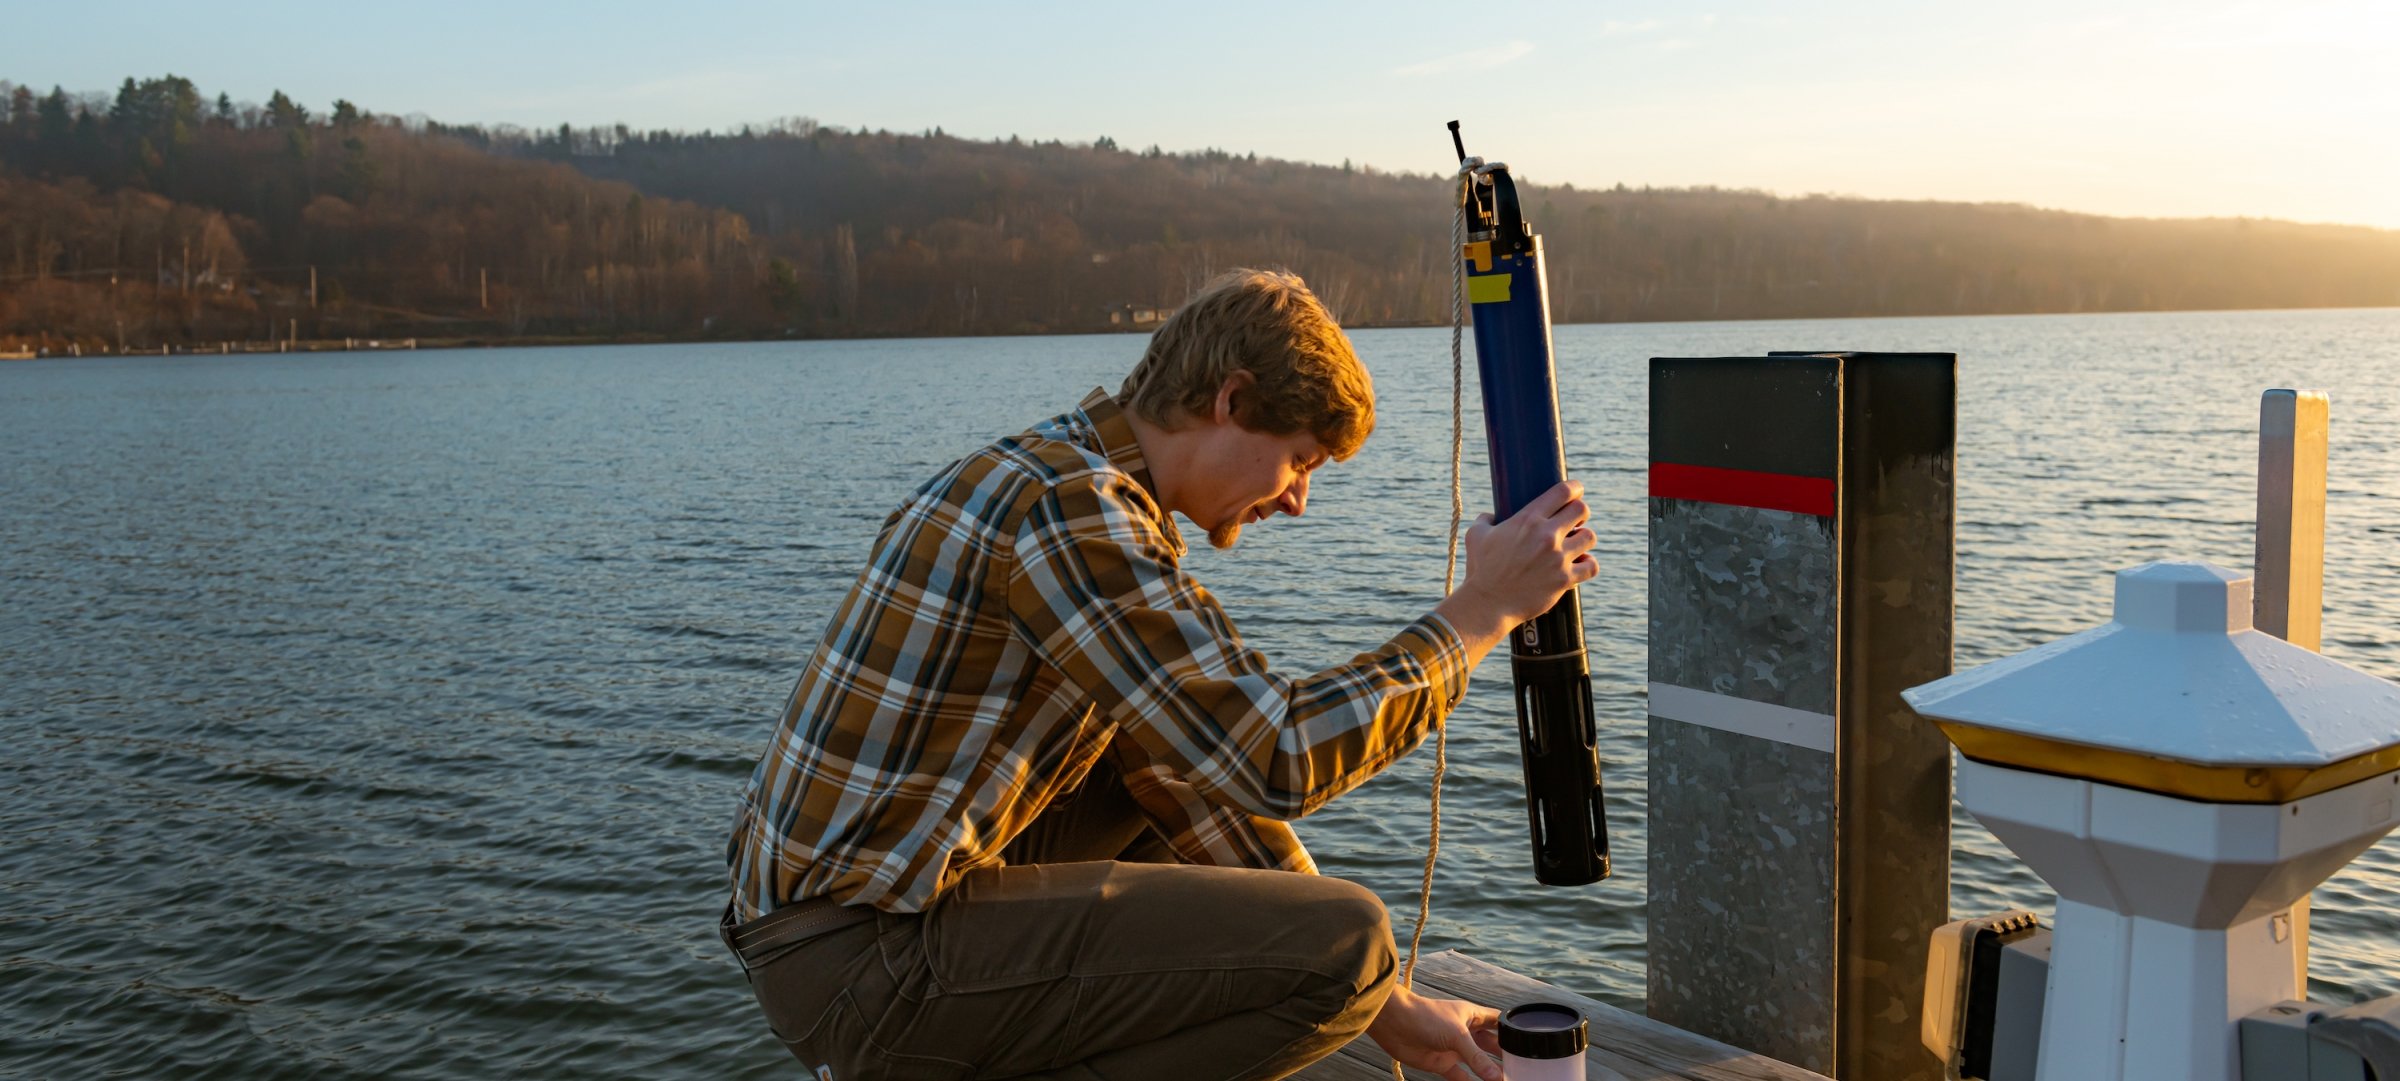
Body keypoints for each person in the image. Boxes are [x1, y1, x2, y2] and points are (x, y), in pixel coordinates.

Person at [721, 268, 1597, 1081]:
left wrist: (1391, 1010)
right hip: (860, 960)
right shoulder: (1068, 512)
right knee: (1350, 939)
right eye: (1300, 459)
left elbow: (1195, 792)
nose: (1297, 499)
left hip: (841, 935)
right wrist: (1483, 610)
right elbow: (1276, 756)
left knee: (1175, 811)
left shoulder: (1054, 479)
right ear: (1231, 399)